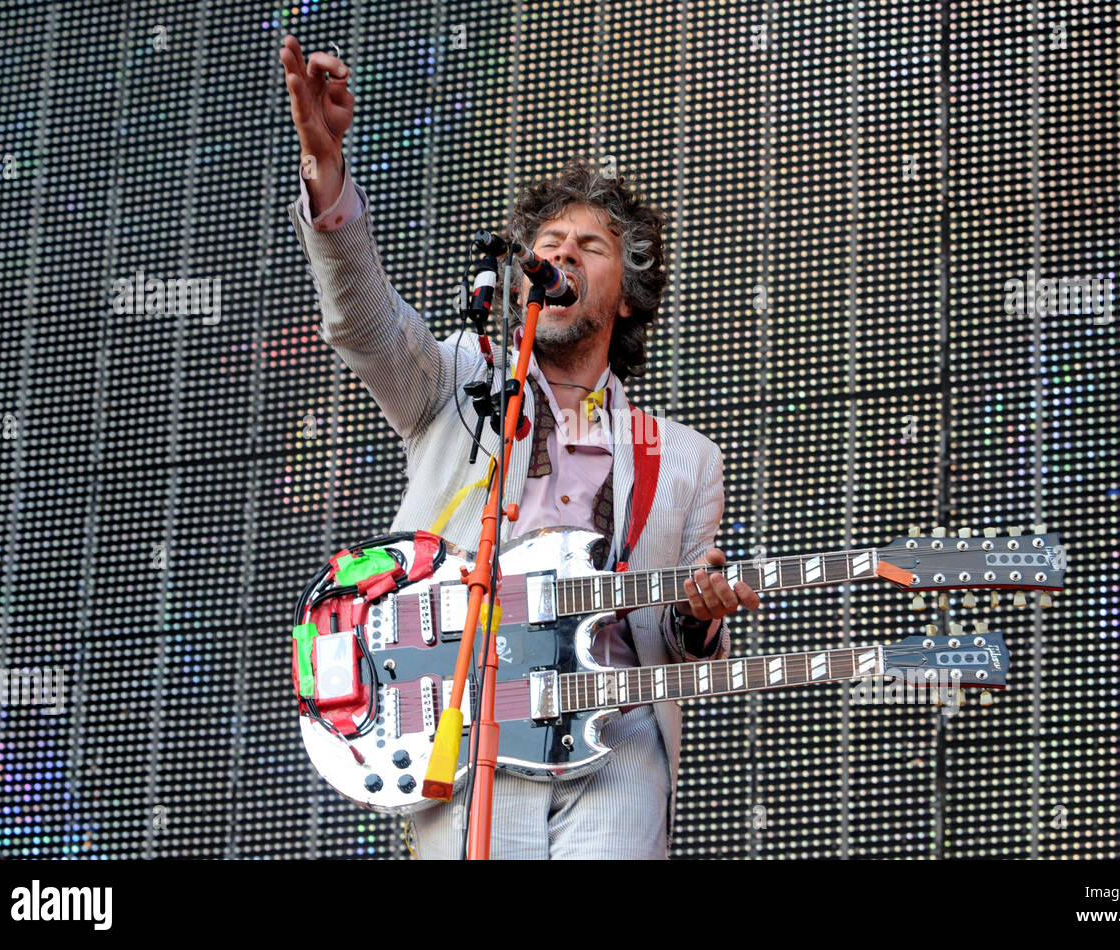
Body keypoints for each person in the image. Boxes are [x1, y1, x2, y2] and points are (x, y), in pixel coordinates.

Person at [280, 35, 760, 859]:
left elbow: (673, 641)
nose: (562, 253)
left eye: (591, 247)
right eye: (549, 245)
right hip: (465, 725)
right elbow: (365, 326)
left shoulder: (686, 458)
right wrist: (328, 175)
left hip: (616, 736)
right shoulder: (459, 382)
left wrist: (698, 614)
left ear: (629, 297)